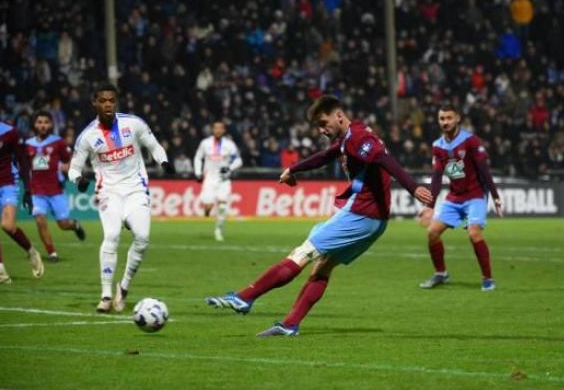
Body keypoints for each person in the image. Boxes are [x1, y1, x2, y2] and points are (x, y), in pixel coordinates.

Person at [205, 95, 433, 336]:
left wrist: (413, 187)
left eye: (324, 124)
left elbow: (384, 159)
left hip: (361, 214)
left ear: (339, 116)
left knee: (302, 254)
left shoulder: (359, 138)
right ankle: (290, 324)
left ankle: (245, 297)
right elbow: (325, 156)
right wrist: (293, 169)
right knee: (322, 267)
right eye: (318, 127)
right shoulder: (349, 137)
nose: (322, 130)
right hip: (374, 220)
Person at [68, 84, 174, 313]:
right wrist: (79, 181)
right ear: (94, 103)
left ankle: (123, 288)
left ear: (116, 102)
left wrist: (163, 162)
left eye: (112, 100)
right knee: (112, 235)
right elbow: (73, 169)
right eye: (103, 100)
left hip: (136, 190)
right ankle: (106, 295)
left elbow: (154, 146)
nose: (108, 104)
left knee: (143, 237)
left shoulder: (133, 124)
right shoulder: (87, 136)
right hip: (108, 193)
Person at [418, 104, 503, 292]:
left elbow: (484, 170)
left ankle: (488, 279)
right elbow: (437, 177)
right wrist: (430, 205)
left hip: (475, 195)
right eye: (442, 119)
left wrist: (495, 196)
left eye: (449, 118)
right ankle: (441, 274)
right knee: (432, 233)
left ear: (457, 118)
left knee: (474, 233)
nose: (445, 122)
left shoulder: (471, 141)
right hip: (454, 197)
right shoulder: (438, 146)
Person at [0, 96, 44, 284]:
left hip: (7, 183)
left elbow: (22, 160)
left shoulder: (10, 132)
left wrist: (28, 190)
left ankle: (31, 251)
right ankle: (1, 272)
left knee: (7, 226)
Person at [25, 110, 86, 262]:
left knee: (63, 224)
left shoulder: (58, 142)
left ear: (51, 124)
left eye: (46, 122)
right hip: (37, 191)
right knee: (40, 220)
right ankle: (52, 253)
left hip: (56, 190)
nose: (43, 125)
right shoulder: (27, 145)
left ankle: (75, 225)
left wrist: (66, 169)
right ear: (35, 124)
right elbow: (23, 166)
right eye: (40, 122)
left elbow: (70, 160)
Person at [193, 121, 242, 241]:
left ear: (224, 130)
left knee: (222, 206)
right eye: (216, 128)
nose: (218, 130)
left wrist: (230, 168)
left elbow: (238, 160)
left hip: (223, 179)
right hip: (210, 178)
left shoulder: (229, 145)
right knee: (208, 205)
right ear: (212, 130)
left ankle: (218, 230)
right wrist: (198, 172)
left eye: (220, 128)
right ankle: (207, 210)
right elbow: (198, 157)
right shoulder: (205, 143)